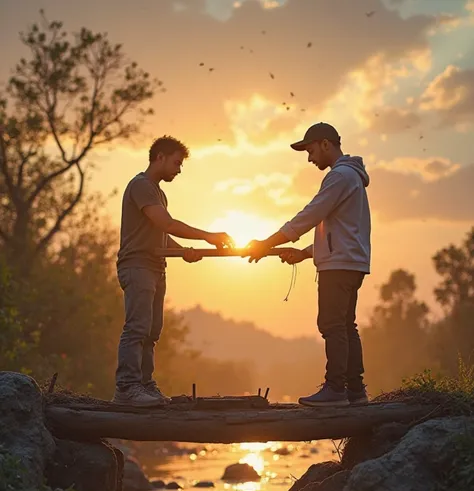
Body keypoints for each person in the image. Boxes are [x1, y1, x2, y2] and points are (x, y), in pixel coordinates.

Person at [246, 123, 371, 407]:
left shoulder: (340, 177)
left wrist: (267, 243)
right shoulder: (352, 179)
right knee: (345, 325)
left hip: (339, 266)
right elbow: (343, 231)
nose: (309, 157)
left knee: (331, 324)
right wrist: (304, 253)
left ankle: (336, 389)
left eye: (311, 150)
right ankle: (355, 391)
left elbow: (309, 216)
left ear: (326, 144)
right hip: (351, 262)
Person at [114, 135, 232, 406]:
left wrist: (184, 252)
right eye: (177, 164)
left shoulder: (158, 192)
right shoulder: (141, 186)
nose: (179, 170)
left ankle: (144, 385)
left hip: (156, 267)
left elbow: (162, 235)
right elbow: (165, 223)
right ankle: (127, 388)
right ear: (160, 158)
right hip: (138, 266)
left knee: (152, 332)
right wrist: (207, 236)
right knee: (137, 328)